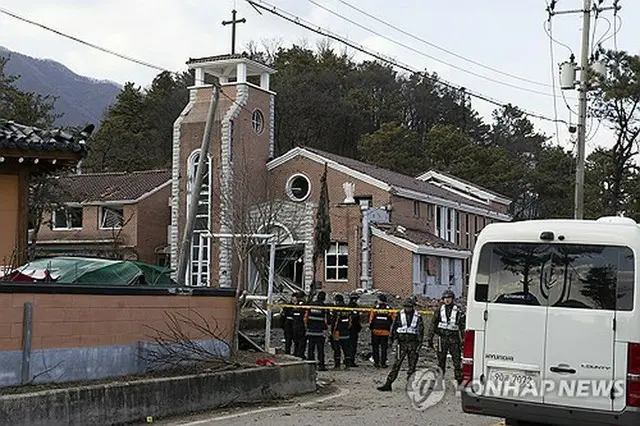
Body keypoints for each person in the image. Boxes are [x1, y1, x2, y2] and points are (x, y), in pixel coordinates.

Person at [377, 297, 424, 391]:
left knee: (412, 366)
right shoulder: (399, 315)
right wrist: (391, 340)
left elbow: (421, 331)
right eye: (406, 307)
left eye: (409, 307)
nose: (407, 309)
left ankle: (410, 384)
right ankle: (389, 383)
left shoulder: (417, 317)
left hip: (413, 343)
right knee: (396, 364)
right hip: (401, 343)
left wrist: (419, 344)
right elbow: (394, 327)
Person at [427, 289, 465, 385]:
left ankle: (459, 381)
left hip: (454, 339)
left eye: (449, 298)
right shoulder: (439, 310)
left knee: (457, 361)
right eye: (445, 298)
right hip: (442, 338)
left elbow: (462, 326)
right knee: (441, 361)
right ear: (443, 299)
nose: (447, 300)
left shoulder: (458, 311)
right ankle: (439, 381)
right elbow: (433, 324)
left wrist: (464, 340)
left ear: (452, 299)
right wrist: (430, 338)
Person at [304, 291, 329, 371]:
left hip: (310, 331)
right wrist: (326, 331)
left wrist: (306, 327)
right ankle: (321, 365)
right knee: (320, 349)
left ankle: (310, 365)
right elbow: (326, 320)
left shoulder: (311, 305)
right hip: (320, 332)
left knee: (310, 349)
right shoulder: (324, 307)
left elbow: (306, 318)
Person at [369, 293, 394, 368]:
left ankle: (376, 362)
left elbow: (371, 319)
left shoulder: (375, 308)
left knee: (375, 347)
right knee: (384, 348)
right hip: (385, 331)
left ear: (379, 300)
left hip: (375, 331)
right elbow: (393, 319)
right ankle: (383, 362)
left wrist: (371, 328)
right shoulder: (389, 309)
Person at [331, 294, 354, 369]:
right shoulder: (347, 309)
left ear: (337, 301)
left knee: (337, 349)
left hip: (338, 332)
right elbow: (350, 321)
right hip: (346, 332)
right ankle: (347, 365)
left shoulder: (336, 309)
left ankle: (337, 365)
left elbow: (335, 321)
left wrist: (332, 332)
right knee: (346, 349)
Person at [347, 292, 362, 367]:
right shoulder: (354, 307)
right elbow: (355, 319)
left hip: (347, 329)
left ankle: (347, 359)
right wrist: (359, 327)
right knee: (352, 345)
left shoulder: (348, 306)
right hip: (353, 329)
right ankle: (351, 360)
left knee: (348, 345)